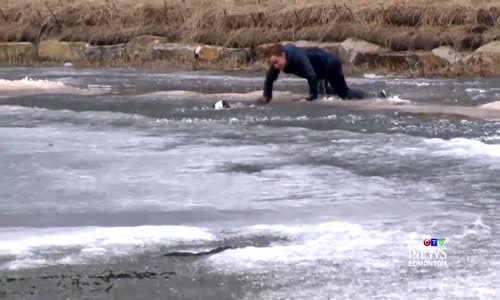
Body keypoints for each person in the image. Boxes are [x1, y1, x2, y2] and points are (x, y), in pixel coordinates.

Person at [257, 43, 386, 104]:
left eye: (276, 62)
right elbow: (269, 80)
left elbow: (311, 75)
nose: (275, 66)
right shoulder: (278, 63)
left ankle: (376, 96)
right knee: (325, 91)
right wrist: (266, 98)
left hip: (330, 63)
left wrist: (312, 98)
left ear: (283, 55)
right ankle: (324, 90)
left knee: (344, 93)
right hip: (318, 69)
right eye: (272, 63)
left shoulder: (296, 56)